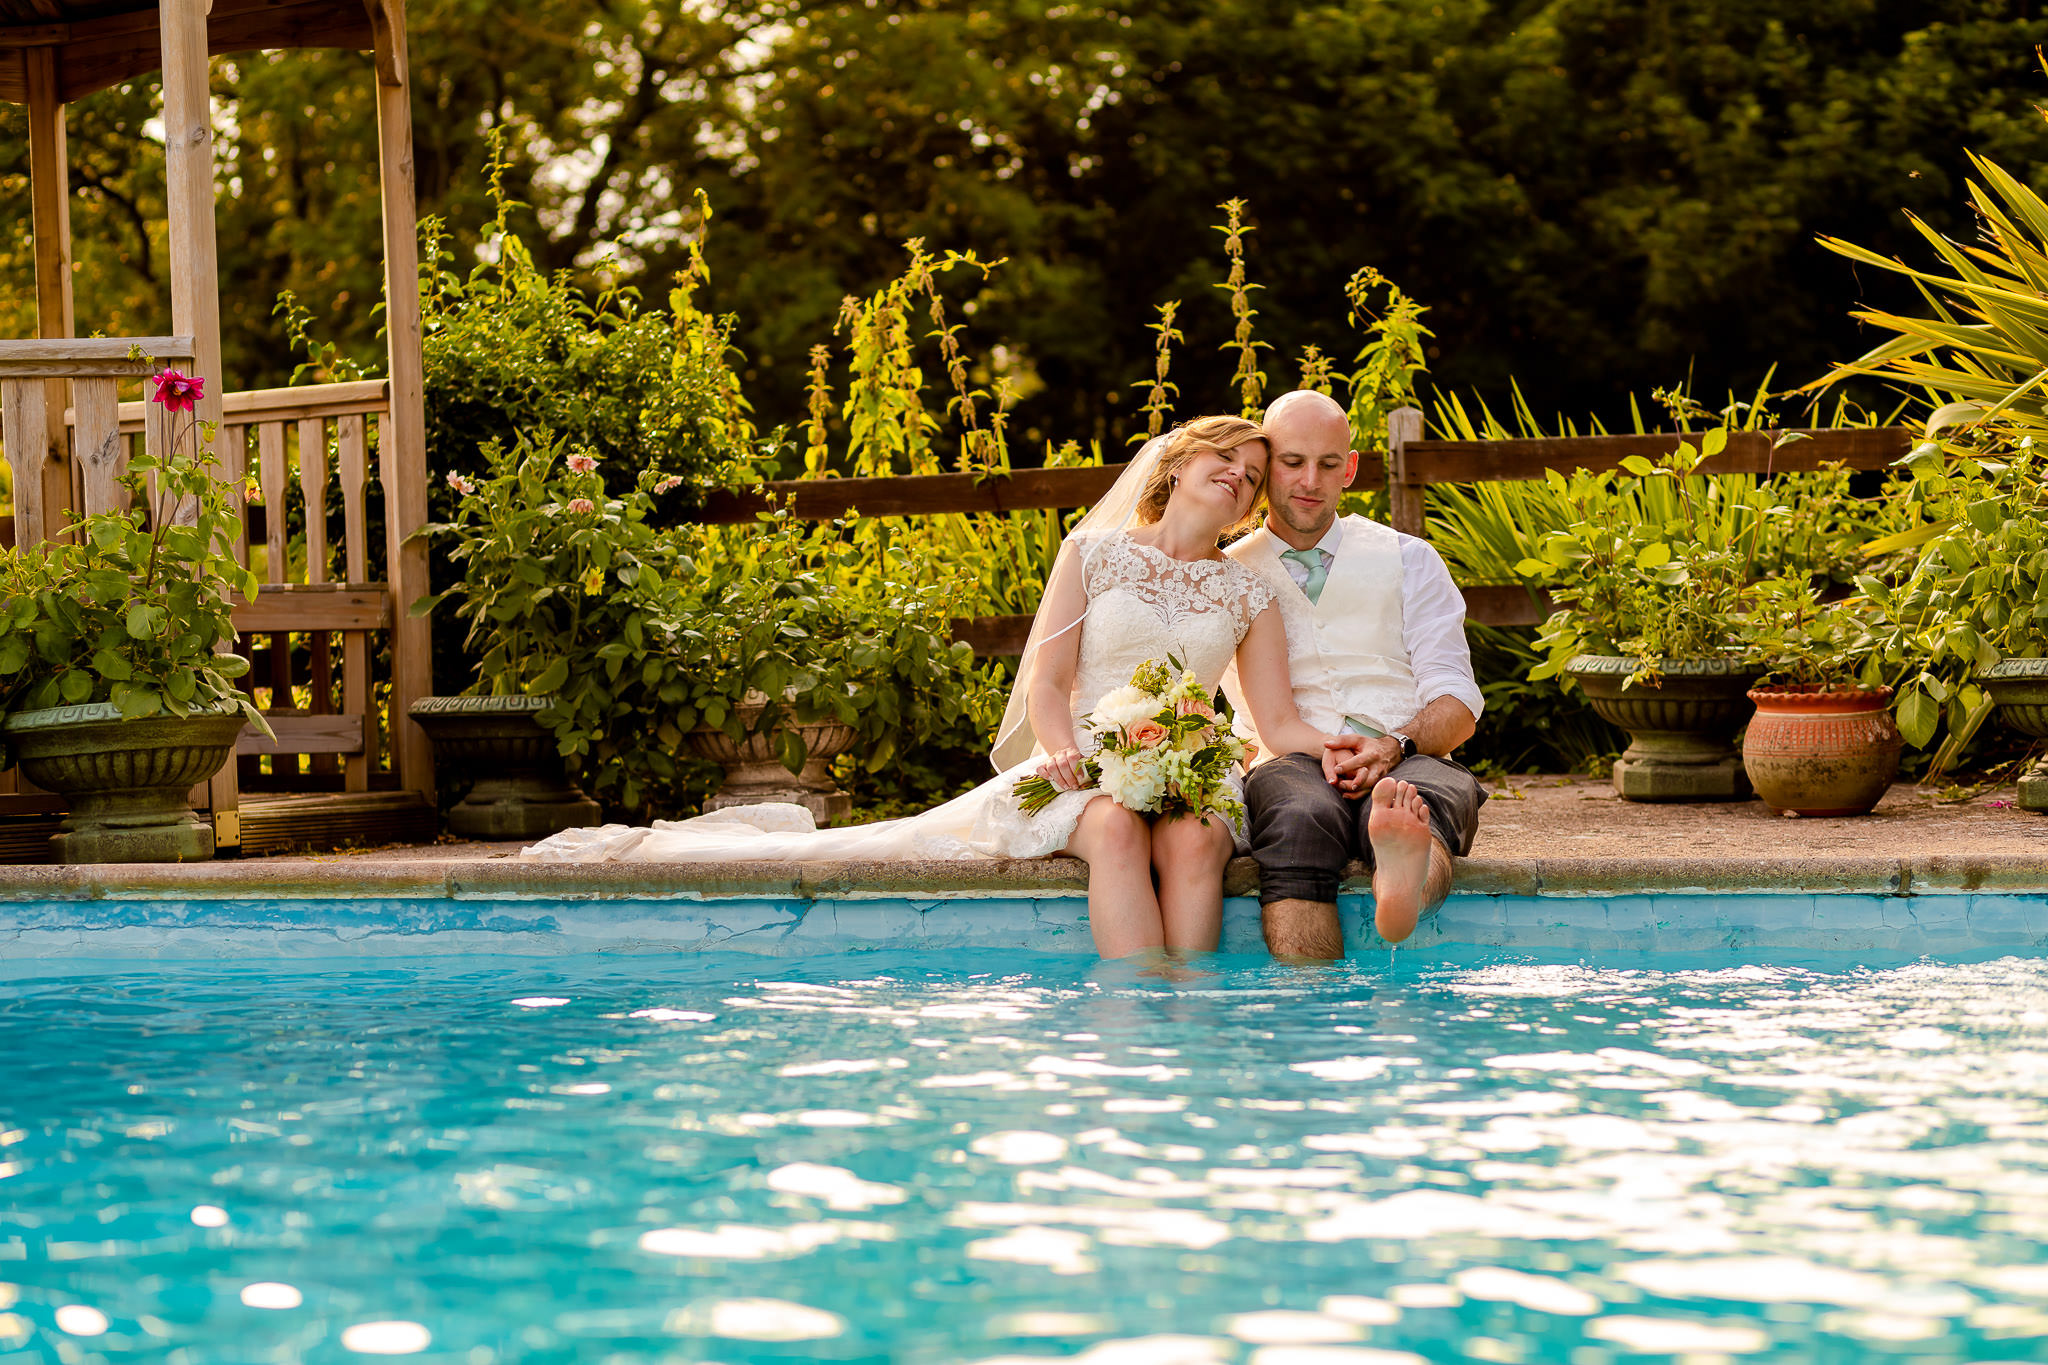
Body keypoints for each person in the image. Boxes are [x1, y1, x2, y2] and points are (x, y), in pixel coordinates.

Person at [524, 415, 1353, 960]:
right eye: (1227, 461)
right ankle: (1133, 1021)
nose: (1240, 480)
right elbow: (1050, 681)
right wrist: (1063, 750)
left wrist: (1358, 744)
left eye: (1252, 477)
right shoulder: (1095, 554)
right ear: (1176, 463)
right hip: (1088, 758)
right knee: (1111, 833)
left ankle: (1198, 1020)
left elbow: (1277, 720)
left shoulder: (1248, 591)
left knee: (1198, 840)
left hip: (1184, 766)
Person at [1221, 390, 1487, 958]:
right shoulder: (1223, 574)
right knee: (1296, 819)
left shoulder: (1410, 557)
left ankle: (1403, 883)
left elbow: (1457, 702)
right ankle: (1309, 988)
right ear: (1267, 464)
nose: (1310, 480)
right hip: (1286, 756)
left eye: (1328, 463)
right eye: (1292, 462)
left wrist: (1395, 744)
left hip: (1406, 748)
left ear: (1352, 468)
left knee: (1416, 801)